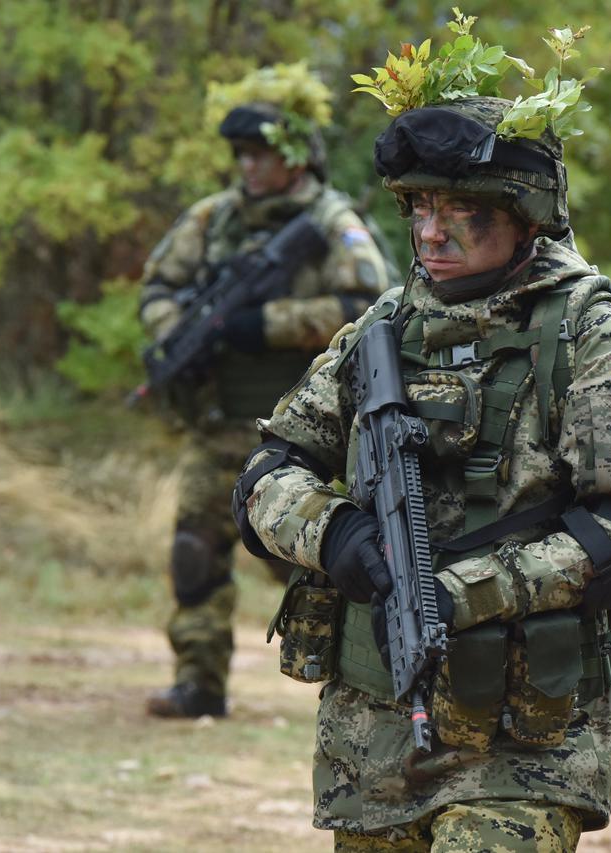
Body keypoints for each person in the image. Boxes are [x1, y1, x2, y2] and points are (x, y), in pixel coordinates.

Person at [233, 93, 611, 850]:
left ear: (526, 214)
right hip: (373, 737)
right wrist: (334, 532)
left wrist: (469, 593)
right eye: (419, 207)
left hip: (526, 738)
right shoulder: (381, 331)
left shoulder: (593, 335)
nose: (430, 230)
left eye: (462, 210)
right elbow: (266, 470)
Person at [138, 64, 393, 718]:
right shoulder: (212, 219)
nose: (250, 167)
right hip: (219, 422)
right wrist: (186, 335)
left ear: (298, 155)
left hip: (303, 435)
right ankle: (199, 683)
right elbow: (159, 288)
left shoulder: (331, 222)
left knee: (316, 559)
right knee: (194, 552)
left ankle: (371, 676)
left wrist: (269, 325)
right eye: (242, 155)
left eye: (263, 153)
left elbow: (371, 303)